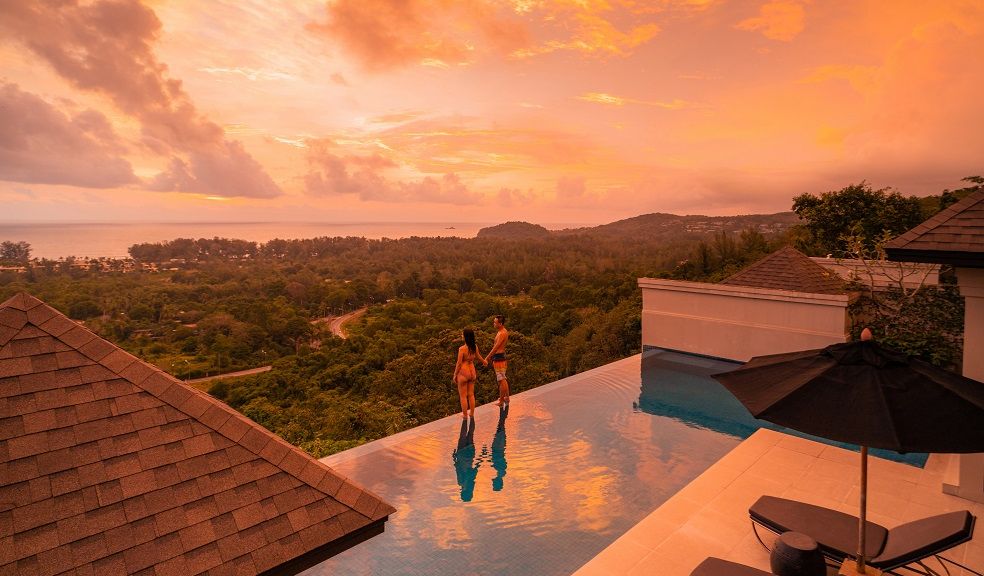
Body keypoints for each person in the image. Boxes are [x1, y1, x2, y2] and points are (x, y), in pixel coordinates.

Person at [453, 328, 486, 419]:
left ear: (465, 336)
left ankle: (464, 415)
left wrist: (455, 374)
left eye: (462, 334)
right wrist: (484, 362)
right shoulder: (474, 346)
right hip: (472, 372)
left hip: (463, 373)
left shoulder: (462, 349)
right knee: (471, 394)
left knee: (463, 396)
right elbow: (479, 357)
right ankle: (471, 413)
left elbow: (459, 363)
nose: (461, 335)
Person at [484, 315, 510, 407]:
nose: (494, 324)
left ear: (501, 323)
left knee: (501, 380)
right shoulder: (500, 332)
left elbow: (496, 347)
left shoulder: (502, 333)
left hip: (499, 358)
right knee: (503, 378)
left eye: (495, 322)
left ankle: (502, 401)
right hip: (499, 357)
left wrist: (487, 358)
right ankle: (506, 397)